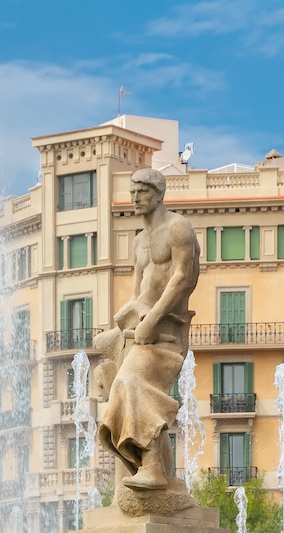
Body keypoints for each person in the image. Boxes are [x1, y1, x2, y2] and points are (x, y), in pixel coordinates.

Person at [93, 167, 200, 492]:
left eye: (141, 192)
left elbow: (183, 278)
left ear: (158, 192)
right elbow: (138, 291)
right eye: (132, 192)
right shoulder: (139, 242)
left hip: (167, 333)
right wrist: (125, 322)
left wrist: (152, 319)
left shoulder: (178, 229)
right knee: (107, 378)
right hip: (140, 331)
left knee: (130, 382)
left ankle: (152, 468)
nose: (135, 198)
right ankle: (150, 469)